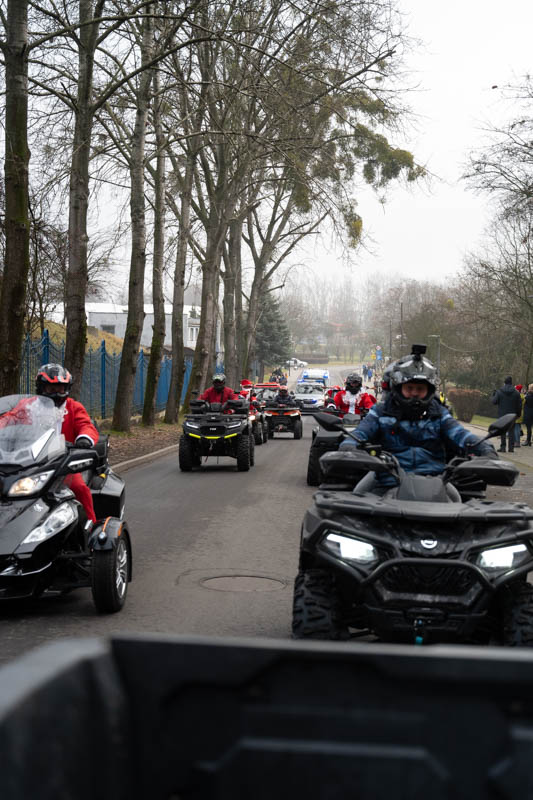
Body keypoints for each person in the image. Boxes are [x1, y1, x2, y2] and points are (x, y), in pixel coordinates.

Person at [339, 348, 497, 492]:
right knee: (355, 498)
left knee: (460, 506)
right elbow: (361, 433)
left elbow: (461, 434)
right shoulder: (381, 412)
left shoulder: (439, 415)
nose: (414, 393)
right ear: (398, 388)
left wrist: (485, 449)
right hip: (386, 480)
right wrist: (349, 446)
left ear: (429, 391)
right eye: (409, 388)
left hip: (435, 482)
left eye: (420, 389)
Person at [36, 363, 99, 523]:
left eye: (61, 389)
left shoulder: (74, 407)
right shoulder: (28, 406)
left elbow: (86, 425)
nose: (57, 393)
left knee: (79, 488)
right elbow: (9, 420)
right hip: (31, 464)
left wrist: (84, 438)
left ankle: (90, 525)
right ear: (41, 387)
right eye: (52, 389)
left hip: (63, 464)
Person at [491, 377, 523, 452]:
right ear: (511, 383)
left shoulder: (499, 392)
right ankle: (511, 448)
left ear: (504, 383)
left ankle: (503, 447)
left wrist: (493, 394)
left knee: (502, 431)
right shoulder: (516, 393)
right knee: (511, 431)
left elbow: (494, 402)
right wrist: (518, 414)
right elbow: (519, 405)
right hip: (512, 415)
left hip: (502, 415)